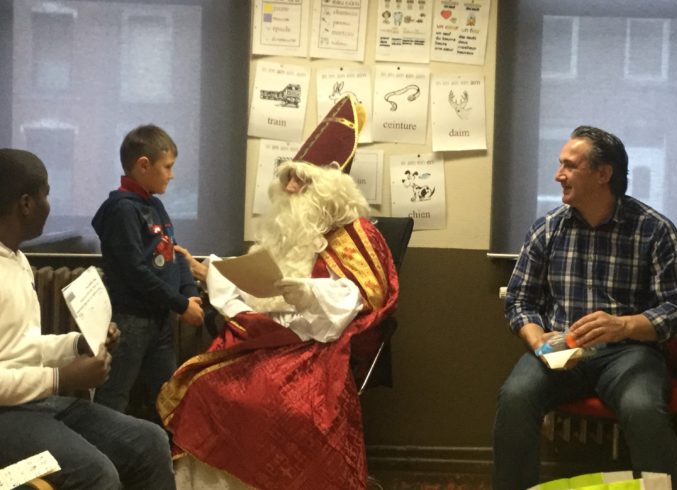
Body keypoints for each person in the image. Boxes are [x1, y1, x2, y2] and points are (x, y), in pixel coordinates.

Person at [157, 95, 399, 490]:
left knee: (270, 400)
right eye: (286, 176)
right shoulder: (292, 230)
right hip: (269, 335)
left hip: (318, 345)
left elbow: (362, 298)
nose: (287, 186)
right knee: (204, 387)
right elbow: (259, 276)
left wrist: (307, 293)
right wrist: (209, 271)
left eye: (299, 179)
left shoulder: (357, 235)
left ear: (327, 189)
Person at [493, 126, 677, 489]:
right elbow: (520, 299)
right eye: (560, 164)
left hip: (629, 353)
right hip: (561, 348)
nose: (558, 175)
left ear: (603, 174)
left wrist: (624, 325)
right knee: (515, 397)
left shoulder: (655, 231)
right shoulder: (547, 229)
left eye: (570, 166)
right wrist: (539, 342)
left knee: (643, 408)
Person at [0, 148, 176, 489]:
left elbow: (19, 347)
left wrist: (77, 343)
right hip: (6, 415)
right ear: (26, 204)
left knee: (150, 441)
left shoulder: (16, 259)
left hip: (32, 402)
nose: (49, 205)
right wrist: (60, 378)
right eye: (46, 194)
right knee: (97, 473)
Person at [91, 125, 204, 418]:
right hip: (131, 321)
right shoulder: (122, 210)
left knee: (166, 396)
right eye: (167, 167)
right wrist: (181, 305)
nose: (171, 175)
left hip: (159, 319)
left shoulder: (154, 205)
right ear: (143, 165)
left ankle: (163, 446)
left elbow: (174, 253)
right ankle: (101, 446)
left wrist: (189, 294)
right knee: (114, 396)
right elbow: (136, 271)